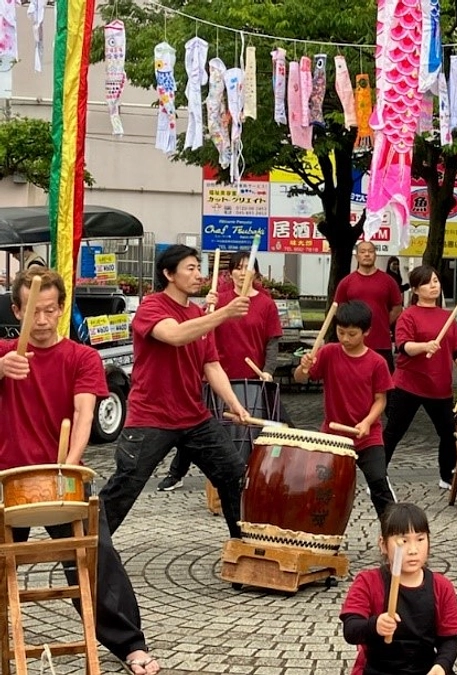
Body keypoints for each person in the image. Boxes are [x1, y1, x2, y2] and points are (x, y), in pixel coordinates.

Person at [0, 268, 160, 675]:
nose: (41, 321)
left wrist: (69, 464)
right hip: (7, 478)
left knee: (97, 554)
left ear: (60, 310)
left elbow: (84, 413)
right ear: (17, 310)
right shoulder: (5, 353)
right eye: (33, 311)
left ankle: (130, 646)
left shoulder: (81, 357)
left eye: (50, 311)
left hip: (62, 473)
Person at [99, 245, 252, 540]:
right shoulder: (152, 306)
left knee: (232, 472)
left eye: (199, 268)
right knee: (124, 486)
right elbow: (175, 335)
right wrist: (222, 314)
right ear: (168, 274)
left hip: (193, 417)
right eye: (190, 269)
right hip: (151, 417)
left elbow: (212, 366)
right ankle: (89, 553)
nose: (198, 275)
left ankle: (241, 548)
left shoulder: (197, 313)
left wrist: (236, 404)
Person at [157, 249, 285, 492]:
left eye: (247, 267)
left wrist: (268, 370)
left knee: (269, 426)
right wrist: (211, 310)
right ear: (230, 272)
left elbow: (272, 342)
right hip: (219, 376)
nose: (241, 272)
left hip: (252, 379)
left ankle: (264, 478)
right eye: (237, 267)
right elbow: (199, 332)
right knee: (198, 427)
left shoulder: (266, 303)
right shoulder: (220, 300)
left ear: (255, 272)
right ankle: (176, 473)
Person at [339, 502, 457, 675]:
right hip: (379, 670)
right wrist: (374, 625)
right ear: (383, 545)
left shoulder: (441, 586)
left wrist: (441, 666)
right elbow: (351, 630)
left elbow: (449, 639)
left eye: (420, 539)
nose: (413, 550)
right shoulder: (368, 582)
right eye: (403, 541)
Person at [295, 300, 395, 516]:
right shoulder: (329, 352)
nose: (345, 339)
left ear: (366, 331)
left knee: (378, 482)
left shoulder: (377, 362)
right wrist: (302, 368)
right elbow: (300, 378)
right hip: (333, 434)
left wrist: (367, 422)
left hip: (368, 436)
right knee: (322, 488)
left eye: (352, 334)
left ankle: (391, 531)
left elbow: (381, 400)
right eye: (341, 332)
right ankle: (320, 534)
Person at [383, 265, 457, 490]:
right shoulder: (408, 316)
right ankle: (378, 475)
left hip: (440, 385)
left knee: (449, 432)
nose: (434, 285)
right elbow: (404, 346)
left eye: (436, 281)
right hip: (409, 383)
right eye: (428, 282)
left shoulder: (447, 317)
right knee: (394, 431)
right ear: (415, 289)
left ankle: (447, 476)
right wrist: (424, 345)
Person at [335, 241, 403, 371]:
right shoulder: (346, 282)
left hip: (381, 343)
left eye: (370, 251)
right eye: (362, 252)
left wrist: (383, 322)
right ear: (356, 256)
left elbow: (397, 308)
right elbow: (339, 310)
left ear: (375, 255)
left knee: (384, 386)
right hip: (353, 344)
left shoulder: (388, 281)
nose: (367, 255)